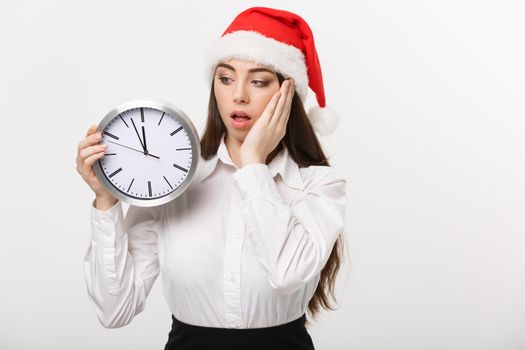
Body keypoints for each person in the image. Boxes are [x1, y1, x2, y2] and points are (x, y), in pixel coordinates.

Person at [76, 6, 348, 350]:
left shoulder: (318, 185)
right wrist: (106, 200)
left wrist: (253, 164)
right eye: (226, 78)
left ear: (287, 94)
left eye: (259, 81)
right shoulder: (173, 184)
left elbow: (285, 274)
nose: (239, 95)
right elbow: (114, 310)